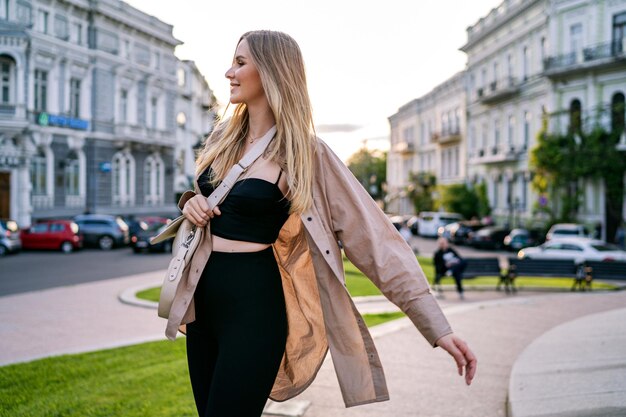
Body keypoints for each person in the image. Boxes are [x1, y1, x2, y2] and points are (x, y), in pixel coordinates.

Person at [172, 30, 476, 417]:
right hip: (201, 302)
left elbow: (375, 239)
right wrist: (191, 203)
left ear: (271, 71)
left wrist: (438, 328)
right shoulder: (223, 139)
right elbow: (209, 200)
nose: (229, 72)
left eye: (241, 62)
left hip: (252, 307)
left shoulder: (305, 154)